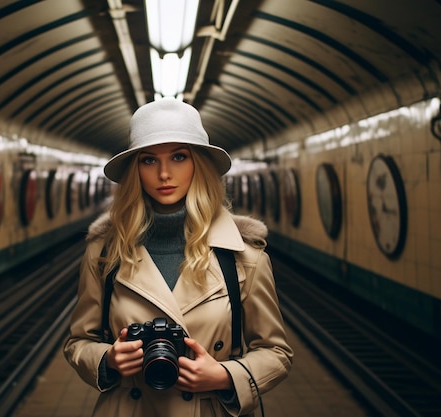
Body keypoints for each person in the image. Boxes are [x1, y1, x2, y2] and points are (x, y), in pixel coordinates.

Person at [64, 98, 293, 417]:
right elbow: (79, 341)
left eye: (179, 157)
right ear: (135, 170)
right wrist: (109, 360)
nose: (164, 173)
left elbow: (276, 351)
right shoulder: (104, 251)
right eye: (148, 160)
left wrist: (226, 377)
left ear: (198, 164)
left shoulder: (243, 255)